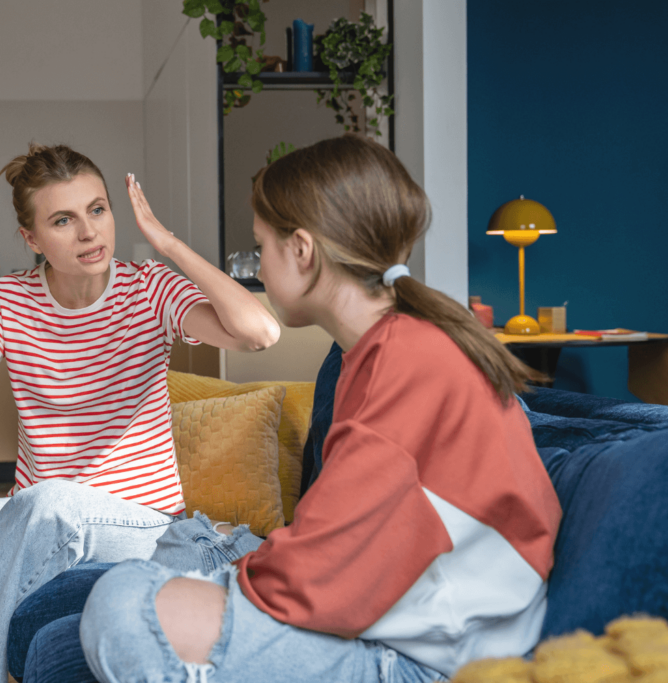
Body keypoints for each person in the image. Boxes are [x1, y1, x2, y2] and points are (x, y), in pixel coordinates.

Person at [78, 134, 563, 683]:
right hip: (394, 611)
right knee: (186, 541)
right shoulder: (383, 347)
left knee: (123, 602)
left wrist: (227, 587)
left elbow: (326, 569)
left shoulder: (407, 362)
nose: (258, 262)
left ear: (302, 251)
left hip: (431, 656)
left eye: (262, 246)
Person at [0, 143, 280, 683]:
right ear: (31, 239)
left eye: (98, 210)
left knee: (48, 503)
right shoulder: (10, 303)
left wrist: (168, 243)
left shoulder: (149, 289)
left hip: (138, 522)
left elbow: (261, 333)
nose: (89, 232)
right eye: (63, 220)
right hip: (37, 517)